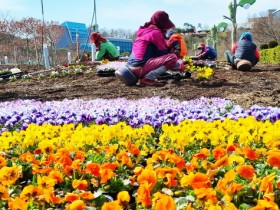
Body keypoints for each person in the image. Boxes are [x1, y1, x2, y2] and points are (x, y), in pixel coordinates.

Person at [115, 11, 187, 86]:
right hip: (139, 69)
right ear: (161, 23)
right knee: (172, 58)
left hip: (129, 68)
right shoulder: (155, 33)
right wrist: (179, 66)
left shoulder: (145, 32)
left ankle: (146, 77)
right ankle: (148, 79)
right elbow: (164, 55)